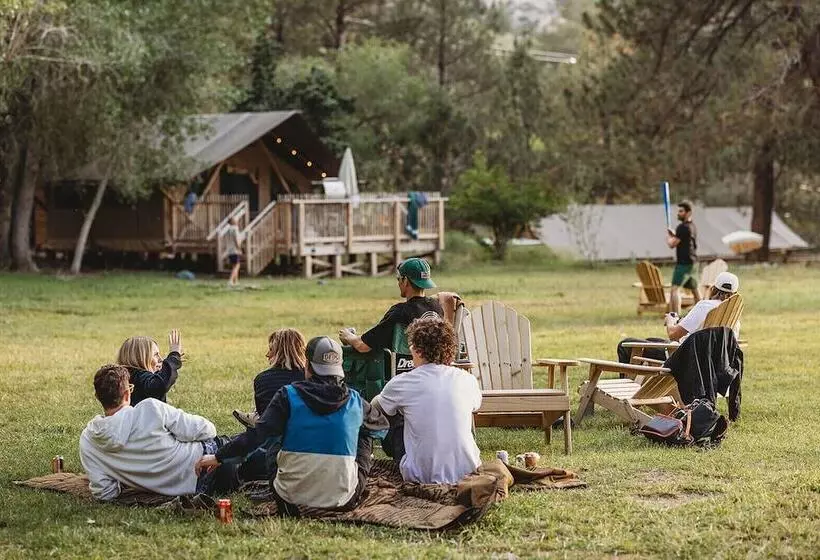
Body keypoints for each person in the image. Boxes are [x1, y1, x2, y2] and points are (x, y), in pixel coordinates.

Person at [196, 336, 388, 515]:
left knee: (274, 433)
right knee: (366, 433)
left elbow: (257, 435)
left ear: (308, 365)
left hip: (290, 501)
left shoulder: (288, 395)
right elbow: (381, 428)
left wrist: (219, 457)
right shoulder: (355, 400)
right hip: (343, 501)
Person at [79, 364, 236, 501]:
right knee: (252, 446)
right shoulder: (149, 409)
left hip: (197, 488)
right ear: (127, 393)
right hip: (211, 462)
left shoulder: (88, 440)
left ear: (98, 397)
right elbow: (207, 430)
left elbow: (105, 493)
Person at [372, 317, 482, 484]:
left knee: (391, 411)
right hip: (468, 471)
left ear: (417, 350)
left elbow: (374, 410)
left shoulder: (403, 382)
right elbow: (474, 406)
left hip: (419, 475)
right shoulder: (467, 379)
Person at [617, 271, 741, 363]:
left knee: (625, 344)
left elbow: (673, 334)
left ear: (713, 289)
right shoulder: (733, 316)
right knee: (651, 339)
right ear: (735, 294)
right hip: (716, 363)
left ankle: (625, 390)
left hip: (687, 360)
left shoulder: (705, 306)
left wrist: (671, 322)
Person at [339, 257, 443, 353]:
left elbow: (363, 346)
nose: (398, 283)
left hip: (400, 369)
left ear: (405, 281)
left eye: (399, 279)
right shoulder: (437, 308)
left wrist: (348, 336)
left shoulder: (399, 312)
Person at [232, 328, 307, 429]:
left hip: (273, 436)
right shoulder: (311, 377)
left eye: (271, 350)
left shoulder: (262, 379)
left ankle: (254, 417)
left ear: (280, 353)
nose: (267, 355)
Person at [117, 330, 182, 406]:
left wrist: (170, 362)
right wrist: (173, 357)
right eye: (155, 355)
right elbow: (159, 385)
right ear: (141, 357)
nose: (160, 359)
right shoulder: (140, 377)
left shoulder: (124, 378)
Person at [666, 200, 701, 315]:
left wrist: (669, 237)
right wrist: (674, 235)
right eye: (678, 211)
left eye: (681, 211)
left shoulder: (682, 227)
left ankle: (675, 317)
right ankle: (703, 315)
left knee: (674, 290)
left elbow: (672, 244)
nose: (678, 213)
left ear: (688, 213)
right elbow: (682, 239)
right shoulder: (693, 226)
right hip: (693, 262)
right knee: (695, 290)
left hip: (684, 264)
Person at [224, 216, 242, 287]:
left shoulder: (228, 230)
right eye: (235, 220)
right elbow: (236, 239)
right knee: (237, 265)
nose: (236, 221)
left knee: (234, 265)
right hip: (235, 249)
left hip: (229, 250)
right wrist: (239, 248)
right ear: (232, 222)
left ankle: (236, 281)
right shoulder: (235, 229)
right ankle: (231, 280)